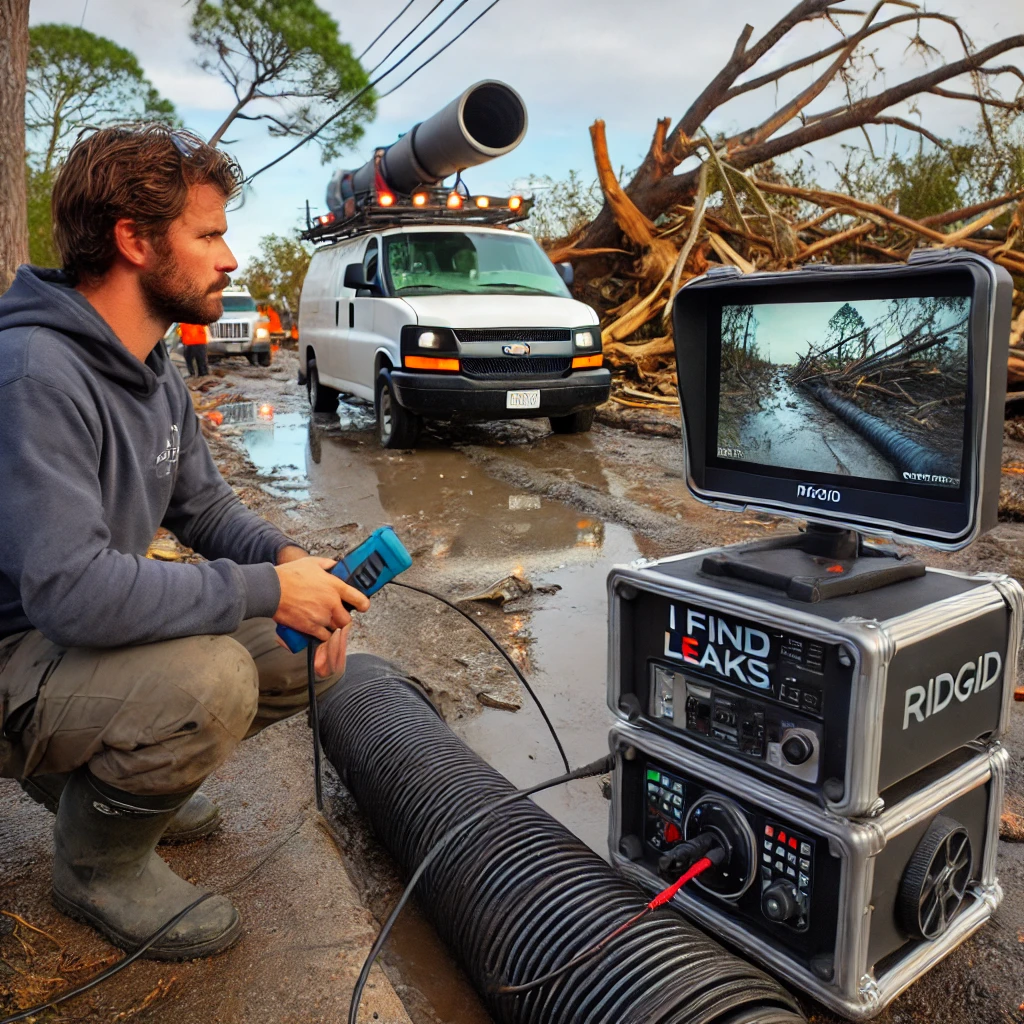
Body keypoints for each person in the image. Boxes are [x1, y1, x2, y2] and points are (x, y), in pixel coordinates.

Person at [0, 125, 371, 961]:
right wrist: (267, 594)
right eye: (208, 235)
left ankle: (95, 790)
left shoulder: (152, 364)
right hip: (13, 651)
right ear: (134, 240)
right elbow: (75, 592)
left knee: (284, 652)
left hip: (56, 644)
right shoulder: (35, 374)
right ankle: (97, 866)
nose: (230, 258)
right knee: (211, 679)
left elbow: (202, 507)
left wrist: (289, 566)